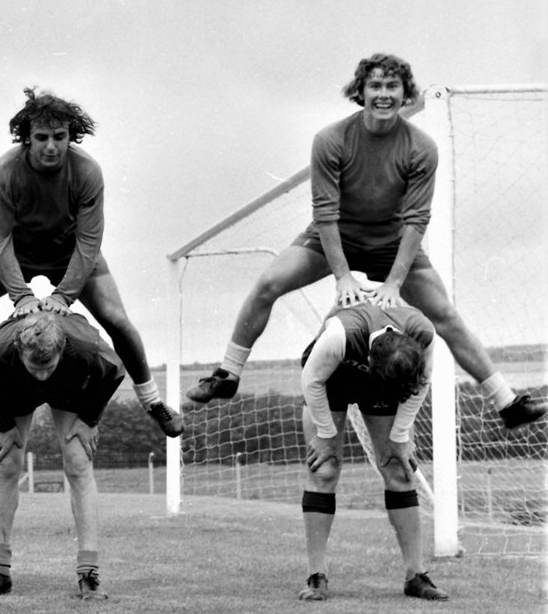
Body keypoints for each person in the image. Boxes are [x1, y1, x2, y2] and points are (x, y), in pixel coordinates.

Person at [186, 54, 545, 431]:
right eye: (375, 86)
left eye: (393, 86)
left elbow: (417, 219)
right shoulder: (331, 139)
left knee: (446, 316)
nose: (384, 94)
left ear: (406, 93)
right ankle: (228, 374)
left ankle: (507, 402)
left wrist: (393, 282)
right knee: (268, 284)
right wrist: (342, 277)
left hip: (392, 246)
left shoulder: (421, 147)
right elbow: (325, 215)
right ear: (360, 91)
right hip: (334, 238)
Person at [0, 87, 183, 438]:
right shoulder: (4, 172)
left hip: (71, 255)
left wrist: (64, 295)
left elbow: (89, 241)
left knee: (118, 321)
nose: (51, 146)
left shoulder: (87, 171)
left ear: (72, 136)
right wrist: (21, 295)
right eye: (41, 137)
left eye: (60, 137)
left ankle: (152, 402)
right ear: (26, 139)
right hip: (17, 253)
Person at [0, 309, 125, 602]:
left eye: (47, 365)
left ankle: (88, 573)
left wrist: (89, 419)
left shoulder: (86, 350)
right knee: (7, 463)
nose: (41, 374)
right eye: (35, 366)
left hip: (70, 382)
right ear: (19, 350)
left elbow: (115, 371)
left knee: (79, 464)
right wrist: (4, 426)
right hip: (16, 386)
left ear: (61, 349)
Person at [297, 298, 448, 602]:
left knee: (398, 466)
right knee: (324, 469)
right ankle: (317, 576)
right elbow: (311, 380)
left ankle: (415, 575)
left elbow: (421, 383)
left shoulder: (424, 334)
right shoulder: (342, 334)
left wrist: (401, 434)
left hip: (382, 380)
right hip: (330, 379)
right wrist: (325, 433)